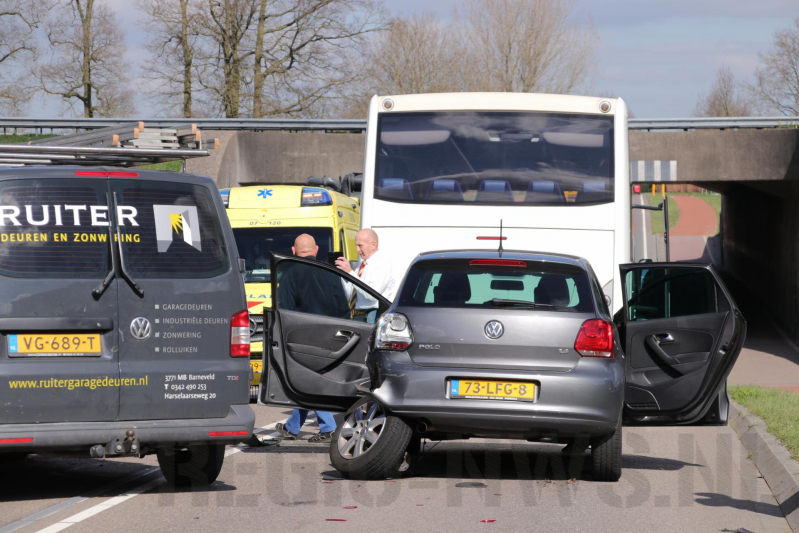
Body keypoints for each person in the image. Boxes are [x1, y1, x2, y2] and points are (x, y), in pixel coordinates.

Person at [274, 233, 342, 443]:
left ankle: (329, 427)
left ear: (294, 252)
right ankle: (293, 427)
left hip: (302, 337)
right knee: (308, 382)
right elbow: (342, 306)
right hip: (331, 336)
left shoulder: (289, 274)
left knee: (309, 382)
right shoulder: (331, 274)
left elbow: (283, 309)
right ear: (316, 250)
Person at [335, 228, 398, 322]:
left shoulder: (383, 263)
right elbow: (350, 295)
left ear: (373, 245)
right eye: (356, 245)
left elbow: (372, 295)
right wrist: (344, 275)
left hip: (372, 315)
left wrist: (350, 273)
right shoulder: (363, 264)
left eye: (360, 246)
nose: (357, 250)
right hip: (358, 314)